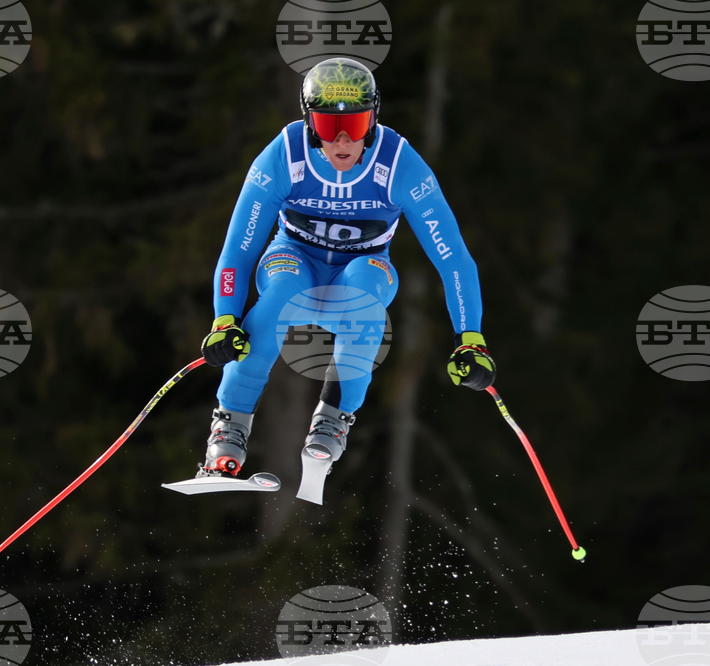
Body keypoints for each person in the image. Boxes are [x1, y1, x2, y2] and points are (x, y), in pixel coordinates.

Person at [198, 57, 495, 490]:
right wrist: (225, 319)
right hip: (294, 258)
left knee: (365, 296)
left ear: (374, 118)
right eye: (325, 124)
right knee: (279, 292)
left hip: (362, 267)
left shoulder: (398, 164)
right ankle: (229, 428)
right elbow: (238, 250)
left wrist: (470, 339)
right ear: (307, 121)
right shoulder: (284, 155)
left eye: (354, 126)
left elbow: (453, 259)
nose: (340, 140)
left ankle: (331, 424)